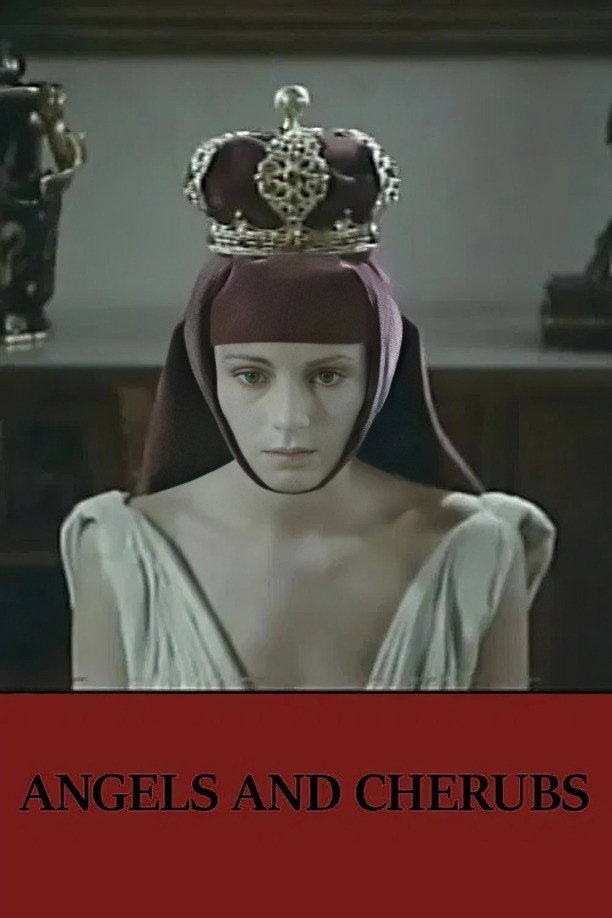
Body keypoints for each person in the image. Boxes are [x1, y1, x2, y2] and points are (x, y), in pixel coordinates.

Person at [59, 85, 556, 692]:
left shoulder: (474, 549)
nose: (290, 419)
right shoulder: (120, 552)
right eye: (251, 375)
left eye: (327, 375)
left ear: (380, 375)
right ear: (204, 373)